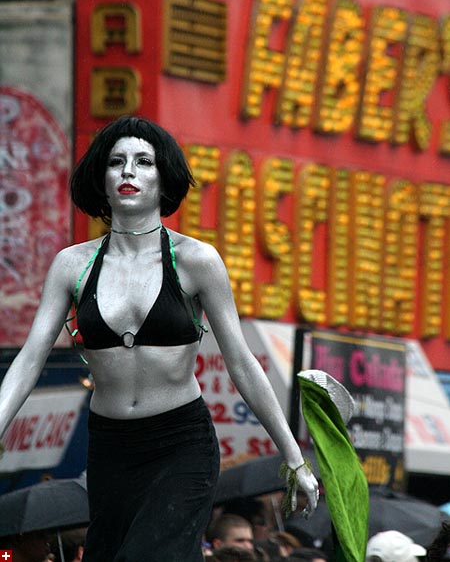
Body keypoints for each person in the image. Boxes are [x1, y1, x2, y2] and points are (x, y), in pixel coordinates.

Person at [0, 116, 319, 562]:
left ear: (163, 177)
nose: (128, 172)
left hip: (180, 444)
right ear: (102, 178)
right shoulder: (71, 265)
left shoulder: (196, 260)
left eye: (143, 162)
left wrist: (293, 456)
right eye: (116, 162)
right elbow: (31, 358)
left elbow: (242, 363)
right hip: (110, 446)